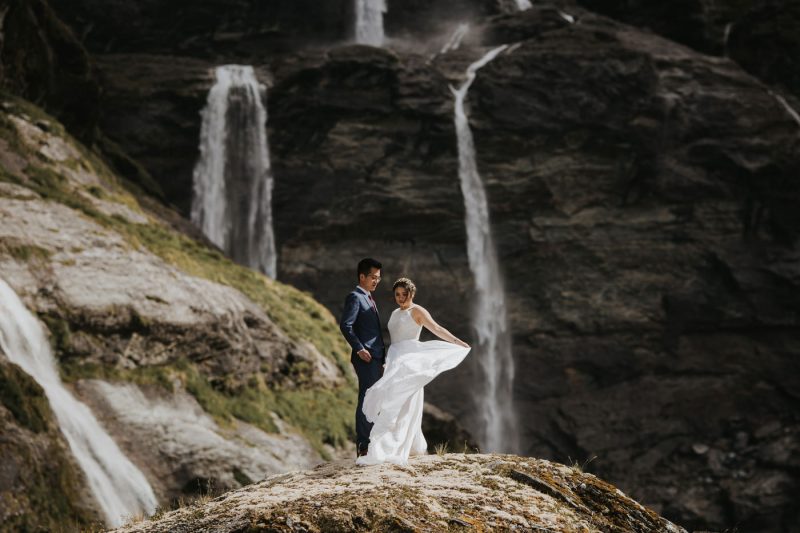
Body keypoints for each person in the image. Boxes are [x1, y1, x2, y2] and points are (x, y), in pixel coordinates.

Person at [356, 277, 470, 466]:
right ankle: (399, 445)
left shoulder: (417, 311)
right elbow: (393, 340)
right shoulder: (394, 313)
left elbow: (436, 328)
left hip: (410, 361)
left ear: (412, 294)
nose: (401, 298)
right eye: (397, 295)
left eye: (404, 294)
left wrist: (457, 342)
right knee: (392, 402)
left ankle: (397, 446)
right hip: (395, 360)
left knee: (403, 402)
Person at [339, 258, 386, 457]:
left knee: (373, 398)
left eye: (378, 278)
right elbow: (345, 325)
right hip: (365, 357)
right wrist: (359, 349)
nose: (376, 281)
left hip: (375, 357)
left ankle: (371, 442)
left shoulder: (368, 297)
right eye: (373, 277)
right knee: (367, 398)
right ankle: (363, 445)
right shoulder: (355, 297)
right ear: (362, 277)